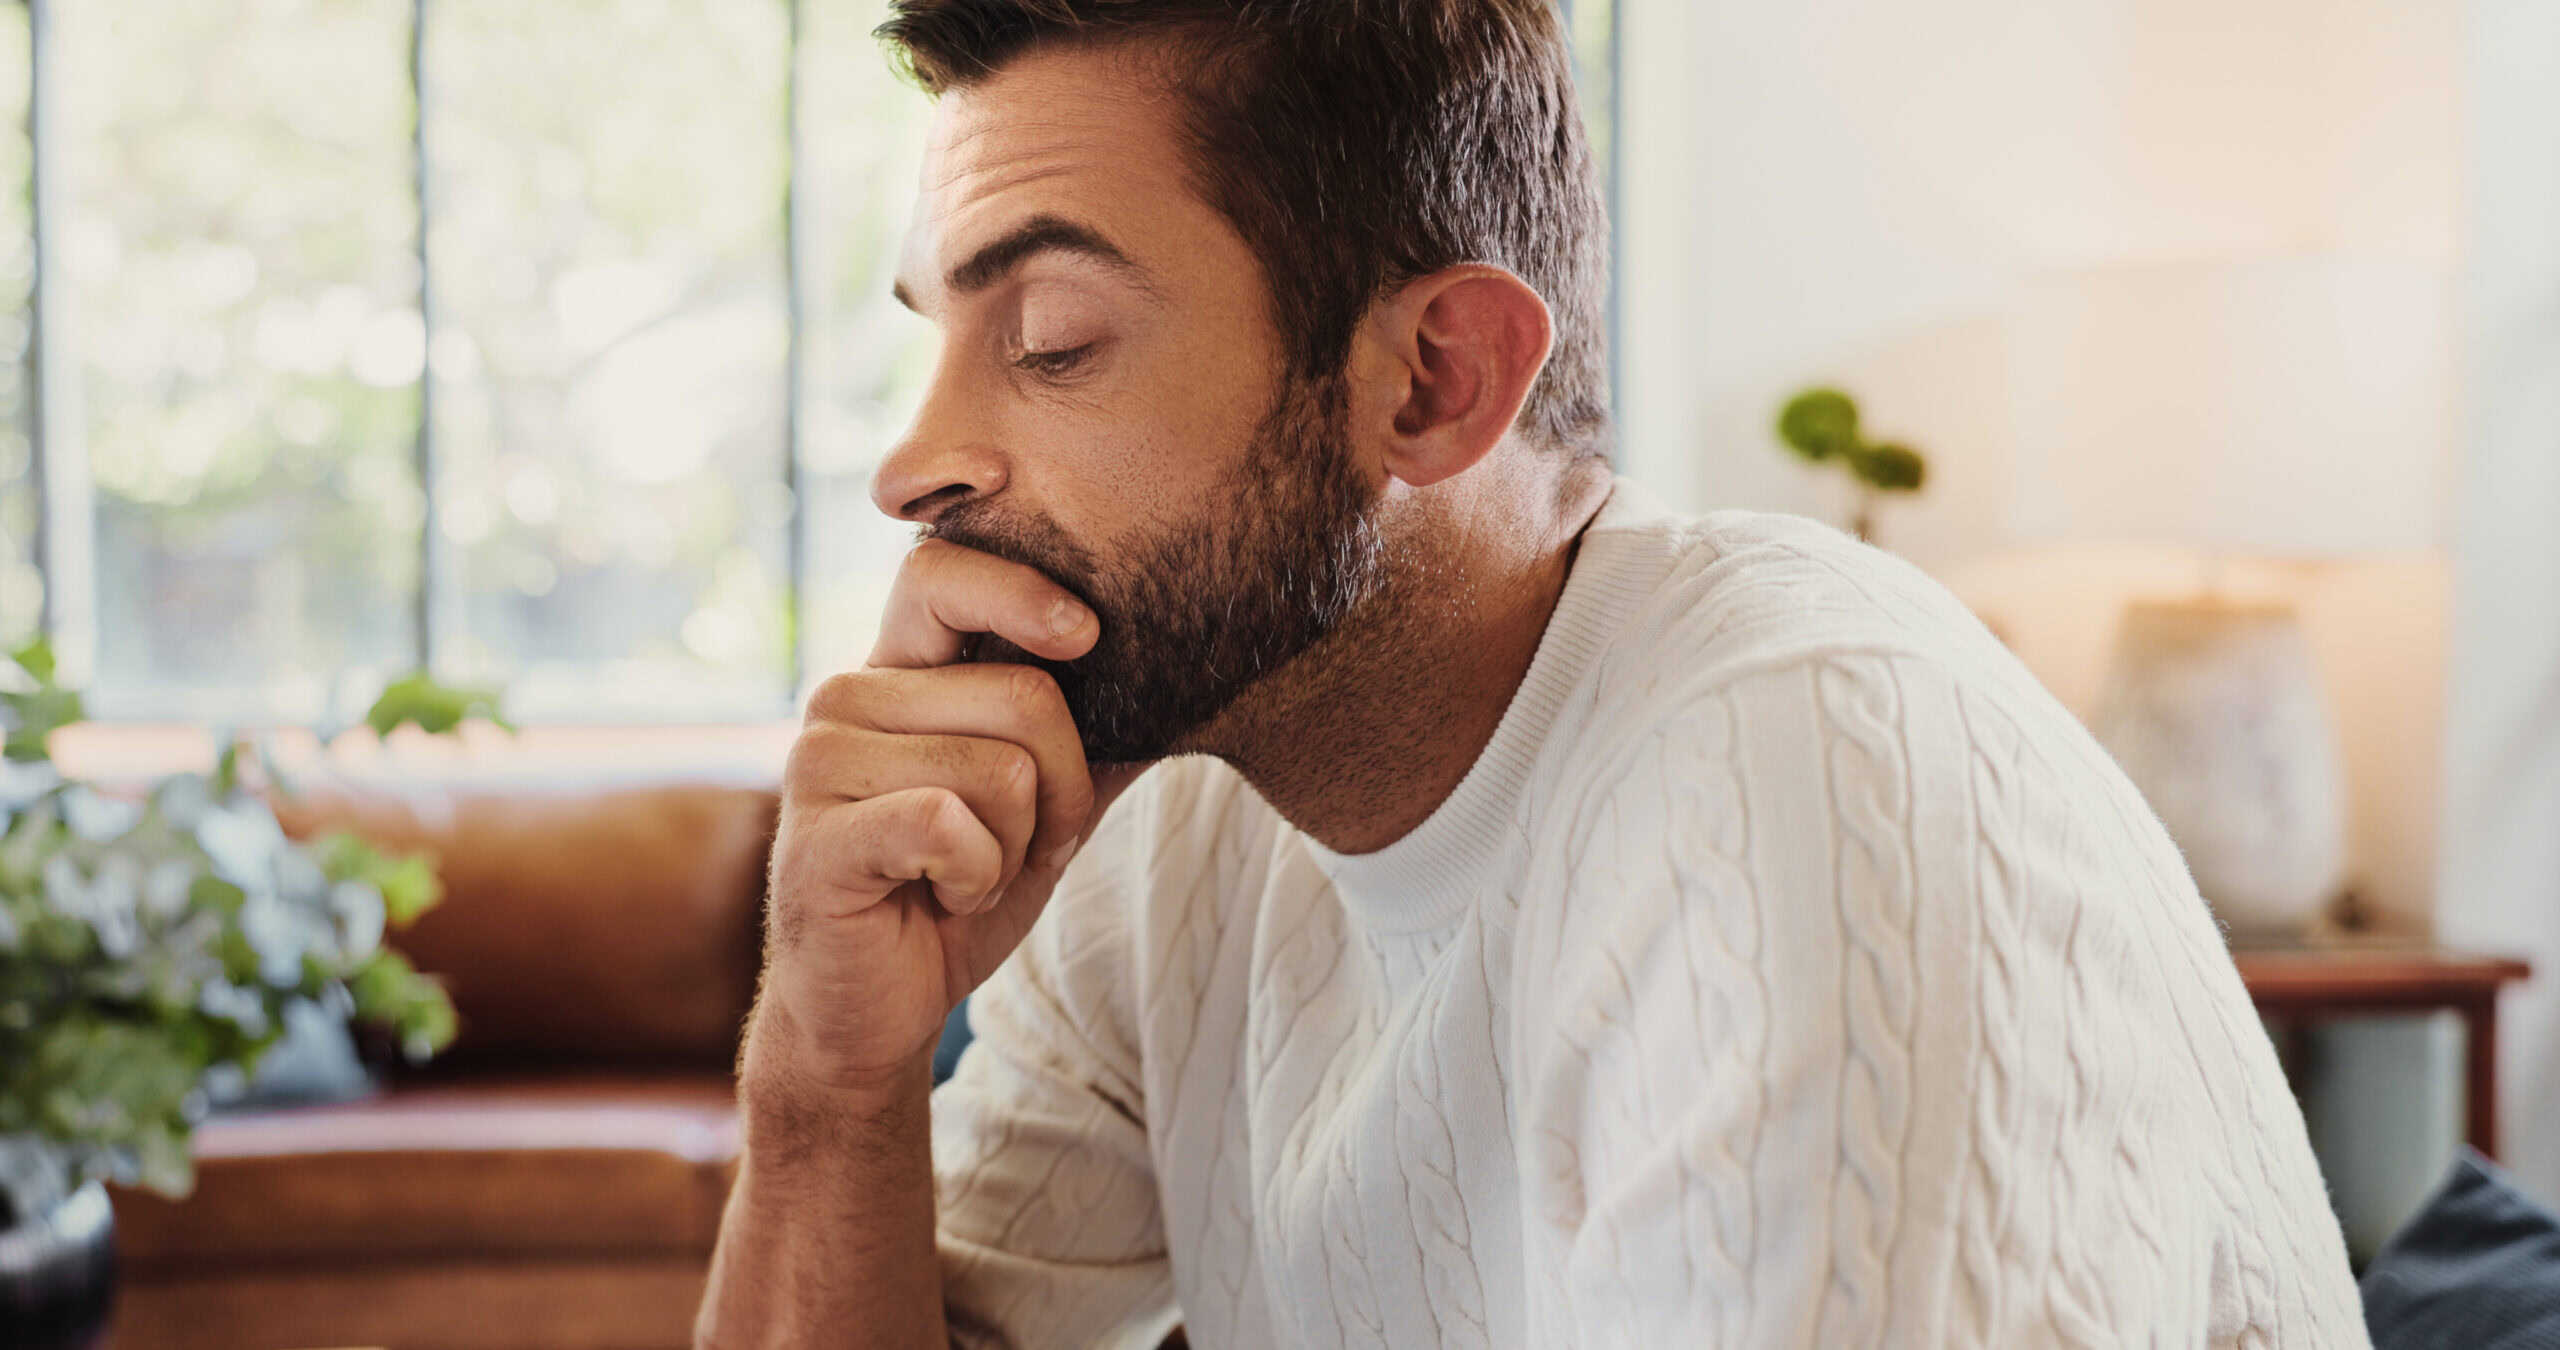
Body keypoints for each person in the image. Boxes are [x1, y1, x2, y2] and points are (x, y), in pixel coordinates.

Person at [695, 2, 2367, 1346]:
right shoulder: (1174, 827)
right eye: (935, 335)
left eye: (1052, 337)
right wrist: (829, 1082)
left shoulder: (1801, 767)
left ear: (1435, 380)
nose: (909, 462)